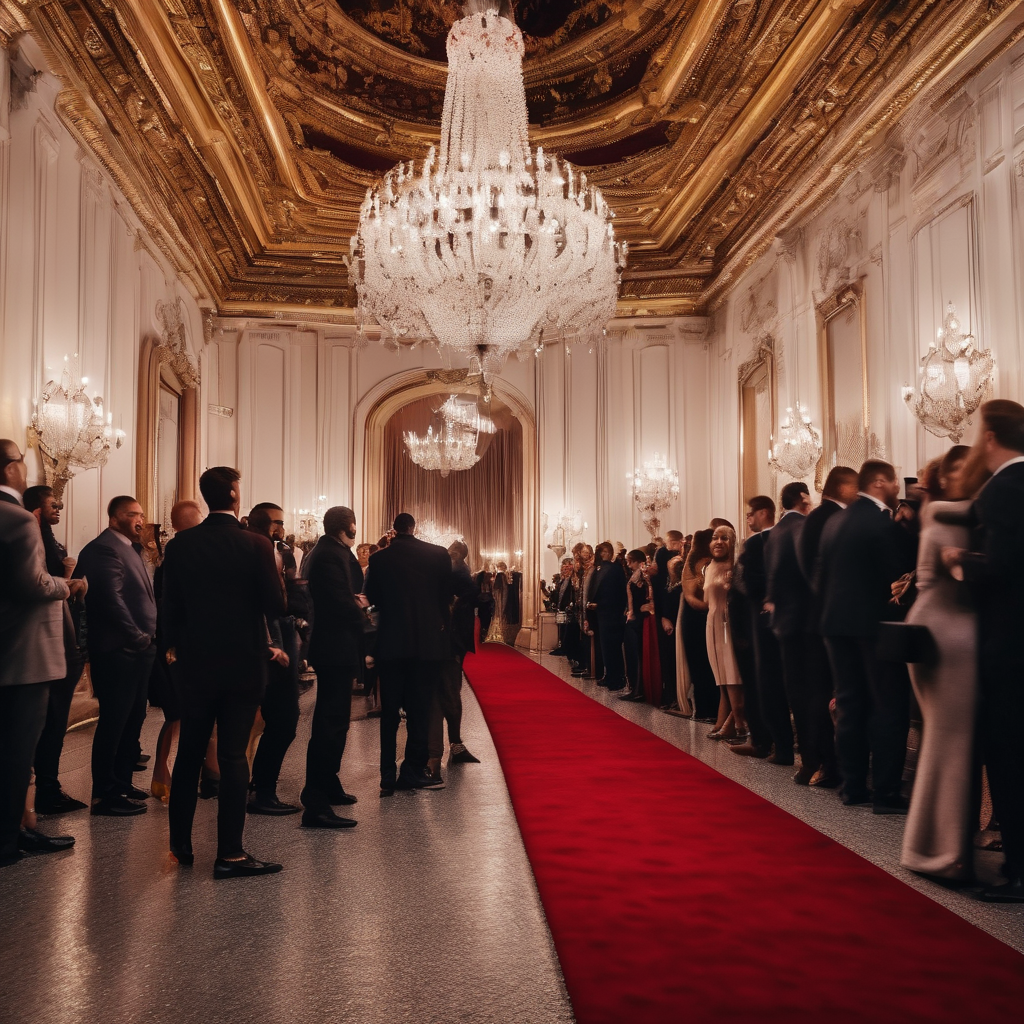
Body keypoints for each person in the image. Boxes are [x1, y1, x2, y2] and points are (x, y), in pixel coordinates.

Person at [163, 466, 286, 878]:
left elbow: (170, 610)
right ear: (234, 494)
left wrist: (174, 652)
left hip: (195, 666)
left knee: (189, 754)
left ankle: (181, 845)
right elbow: (275, 606)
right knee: (233, 756)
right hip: (242, 665)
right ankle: (230, 854)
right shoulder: (255, 544)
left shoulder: (180, 547)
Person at [943, 400, 1024, 902]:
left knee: (1009, 753)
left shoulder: (1005, 487)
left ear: (990, 436)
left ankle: (1017, 870)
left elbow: (1003, 566)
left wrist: (959, 562)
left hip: (1009, 643)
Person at [817, 460, 917, 814]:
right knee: (888, 706)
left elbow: (820, 577)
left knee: (849, 705)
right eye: (893, 482)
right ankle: (887, 793)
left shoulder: (835, 521)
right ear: (879, 482)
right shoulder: (880, 524)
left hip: (835, 626)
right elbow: (897, 578)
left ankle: (853, 785)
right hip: (874, 627)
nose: (896, 489)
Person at [899, 449, 979, 882]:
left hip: (934, 628)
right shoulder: (955, 515)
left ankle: (933, 845)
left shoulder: (939, 513)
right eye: (956, 467)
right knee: (952, 744)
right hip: (950, 634)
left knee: (944, 743)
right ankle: (943, 852)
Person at [0, 440, 80, 866]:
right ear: (9, 469)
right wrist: (64, 585)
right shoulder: (16, 518)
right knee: (17, 752)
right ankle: (9, 839)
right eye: (20, 461)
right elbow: (31, 585)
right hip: (22, 653)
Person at [364, 513, 468, 794]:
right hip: (427, 644)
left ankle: (387, 775)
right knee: (420, 710)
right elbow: (445, 595)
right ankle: (412, 770)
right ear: (414, 528)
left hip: (391, 644)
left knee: (389, 714)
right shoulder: (436, 555)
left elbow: (372, 597)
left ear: (395, 530)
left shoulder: (379, 559)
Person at [75, 496, 158, 816]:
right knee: (114, 721)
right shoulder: (104, 548)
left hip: (139, 649)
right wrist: (135, 636)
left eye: (141, 514)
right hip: (118, 649)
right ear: (114, 518)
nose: (140, 519)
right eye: (132, 515)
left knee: (133, 719)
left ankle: (121, 783)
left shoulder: (129, 548)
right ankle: (105, 792)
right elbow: (110, 599)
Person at [22, 485, 87, 814]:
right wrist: (67, 581)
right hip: (46, 641)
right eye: (53, 504)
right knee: (44, 725)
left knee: (53, 723)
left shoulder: (45, 536)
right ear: (36, 509)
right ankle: (39, 793)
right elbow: (40, 584)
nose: (60, 507)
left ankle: (46, 787)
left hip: (61, 639)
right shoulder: (30, 533)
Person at [299, 506, 364, 829]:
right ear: (349, 526)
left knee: (337, 722)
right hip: (334, 648)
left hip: (335, 648)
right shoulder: (328, 554)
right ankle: (316, 801)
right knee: (330, 724)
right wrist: (362, 613)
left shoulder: (329, 550)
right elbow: (339, 602)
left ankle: (329, 784)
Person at [796, 465, 858, 787]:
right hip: (827, 618)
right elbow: (819, 571)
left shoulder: (817, 517)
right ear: (844, 487)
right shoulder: (831, 518)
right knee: (827, 696)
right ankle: (830, 764)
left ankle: (822, 762)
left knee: (820, 694)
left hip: (816, 617)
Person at [148, 500, 212, 803]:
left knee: (184, 715)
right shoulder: (181, 554)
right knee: (177, 714)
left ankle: (200, 773)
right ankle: (162, 774)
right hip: (177, 647)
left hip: (176, 644)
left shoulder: (176, 553)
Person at [245, 503, 301, 815]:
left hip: (276, 643)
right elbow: (261, 605)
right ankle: (260, 791)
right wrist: (270, 646)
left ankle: (259, 788)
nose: (282, 527)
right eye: (278, 522)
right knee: (282, 719)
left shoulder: (278, 550)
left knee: (282, 721)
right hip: (268, 649)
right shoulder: (258, 548)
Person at [765, 481, 821, 784]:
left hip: (785, 622)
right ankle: (816, 760)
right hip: (808, 621)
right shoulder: (803, 526)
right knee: (814, 693)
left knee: (797, 694)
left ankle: (808, 762)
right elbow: (810, 571)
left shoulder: (775, 531)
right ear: (802, 498)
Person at [731, 495, 793, 764]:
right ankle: (771, 742)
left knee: (765, 686)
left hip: (757, 623)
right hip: (778, 621)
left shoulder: (758, 542)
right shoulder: (786, 537)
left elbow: (746, 584)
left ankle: (770, 743)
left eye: (751, 514)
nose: (748, 519)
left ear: (765, 513)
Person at [428, 540, 480, 770]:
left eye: (454, 553)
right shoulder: (448, 574)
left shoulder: (459, 575)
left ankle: (449, 746)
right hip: (445, 645)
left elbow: (466, 604)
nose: (450, 555)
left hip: (451, 645)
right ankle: (444, 749)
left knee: (449, 694)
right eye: (449, 551)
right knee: (447, 695)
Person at [705, 525, 747, 738]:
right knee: (721, 675)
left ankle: (739, 723)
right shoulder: (710, 566)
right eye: (715, 538)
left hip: (728, 624)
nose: (718, 542)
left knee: (732, 674)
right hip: (712, 622)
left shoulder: (736, 567)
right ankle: (728, 721)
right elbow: (706, 599)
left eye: (724, 538)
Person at [682, 529, 717, 719]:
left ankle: (704, 709)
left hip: (692, 617)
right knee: (706, 665)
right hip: (701, 616)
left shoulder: (693, 561)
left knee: (699, 666)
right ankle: (708, 709)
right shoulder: (705, 562)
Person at [591, 541, 627, 690]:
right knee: (604, 647)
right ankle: (609, 674)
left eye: (608, 551)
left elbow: (619, 592)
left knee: (613, 647)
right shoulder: (598, 569)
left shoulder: (615, 569)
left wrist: (602, 605)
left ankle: (617, 678)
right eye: (603, 551)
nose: (605, 554)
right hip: (601, 613)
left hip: (612, 613)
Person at [622, 549, 650, 702]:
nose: (628, 565)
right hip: (633, 617)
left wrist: (636, 611)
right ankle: (634, 687)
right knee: (632, 654)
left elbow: (643, 598)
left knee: (637, 655)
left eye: (630, 561)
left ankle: (638, 689)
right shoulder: (635, 576)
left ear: (638, 562)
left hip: (638, 619)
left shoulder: (642, 577)